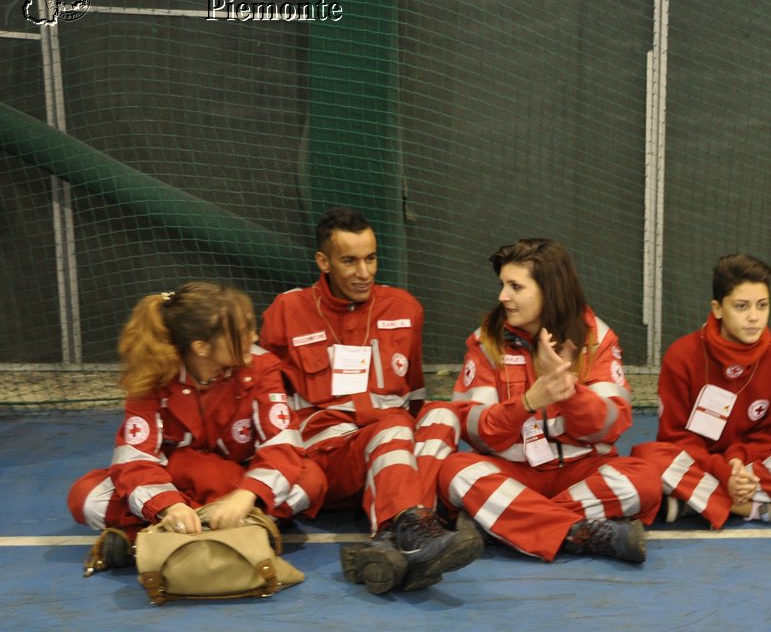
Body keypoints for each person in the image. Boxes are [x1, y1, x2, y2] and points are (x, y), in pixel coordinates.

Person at [259, 207, 481, 594]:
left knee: (442, 413)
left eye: (371, 258)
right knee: (393, 425)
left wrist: (405, 441)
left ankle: (392, 542)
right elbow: (266, 398)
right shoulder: (287, 310)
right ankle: (412, 528)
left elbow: (413, 394)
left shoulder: (404, 307)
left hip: (388, 456)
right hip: (329, 454)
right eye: (350, 261)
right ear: (323, 262)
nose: (364, 273)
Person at [69, 282, 326, 570]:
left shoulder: (262, 366)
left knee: (311, 480)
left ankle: (148, 536)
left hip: (238, 482)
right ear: (202, 347)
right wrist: (169, 505)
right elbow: (135, 459)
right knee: (86, 497)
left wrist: (247, 494)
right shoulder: (152, 373)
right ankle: (240, 528)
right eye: (240, 333)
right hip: (176, 482)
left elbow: (281, 443)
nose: (253, 337)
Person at [439, 238, 661, 563]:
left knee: (645, 480)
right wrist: (528, 401)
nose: (503, 297)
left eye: (516, 286)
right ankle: (579, 532)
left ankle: (501, 520)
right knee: (455, 471)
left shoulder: (596, 338)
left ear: (550, 290)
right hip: (513, 471)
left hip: (579, 471)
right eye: (503, 285)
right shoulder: (485, 342)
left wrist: (568, 393)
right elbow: (477, 431)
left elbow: (610, 427)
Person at [633, 253, 771, 528]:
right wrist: (723, 472)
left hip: (749, 467)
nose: (754, 318)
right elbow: (674, 436)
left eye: (762, 305)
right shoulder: (682, 355)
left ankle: (692, 502)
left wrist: (737, 463)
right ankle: (754, 509)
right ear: (718, 308)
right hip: (699, 463)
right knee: (648, 457)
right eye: (742, 306)